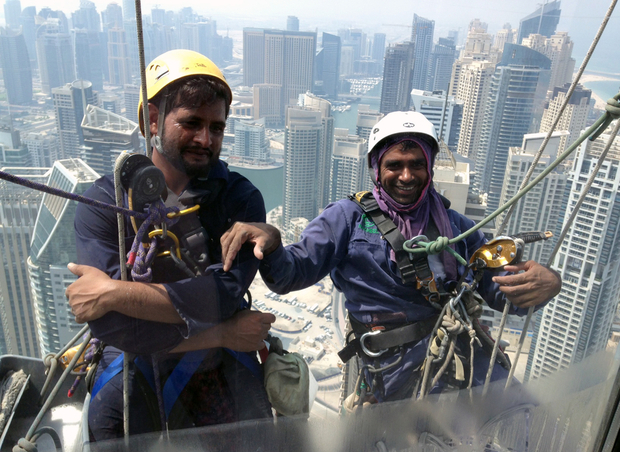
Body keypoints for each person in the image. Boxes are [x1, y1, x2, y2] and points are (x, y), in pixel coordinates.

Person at [221, 111, 561, 403]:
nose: (406, 176)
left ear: (429, 168)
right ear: (376, 167)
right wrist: (273, 241)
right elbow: (290, 274)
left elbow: (501, 292)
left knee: (520, 418)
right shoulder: (347, 219)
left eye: (417, 165)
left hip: (459, 353)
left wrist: (546, 282)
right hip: (394, 371)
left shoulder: (457, 228)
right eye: (394, 165)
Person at [65, 49, 275, 440]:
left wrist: (114, 292)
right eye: (191, 123)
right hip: (138, 354)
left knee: (256, 434)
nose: (206, 139)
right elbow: (113, 326)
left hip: (212, 358)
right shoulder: (104, 204)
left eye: (217, 128)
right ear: (151, 119)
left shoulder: (240, 200)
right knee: (109, 425)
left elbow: (224, 298)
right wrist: (221, 333)